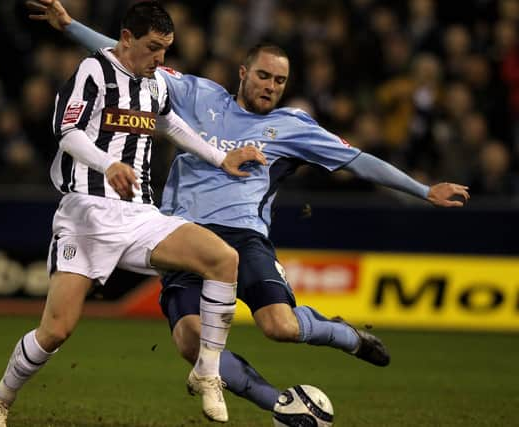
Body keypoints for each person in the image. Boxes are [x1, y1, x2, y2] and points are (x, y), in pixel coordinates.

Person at [27, 0, 470, 414]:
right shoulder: (197, 95)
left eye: (279, 81)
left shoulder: (293, 126)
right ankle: (281, 405)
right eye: (263, 76)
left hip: (245, 236)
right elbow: (131, 58)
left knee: (279, 326)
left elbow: (360, 161)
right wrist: (68, 27)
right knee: (190, 342)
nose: (270, 87)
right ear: (243, 72)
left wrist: (423, 188)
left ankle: (345, 334)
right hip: (181, 235)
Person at [0, 3, 269, 426]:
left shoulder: (155, 85)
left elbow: (170, 124)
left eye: (166, 50)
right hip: (85, 214)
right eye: (153, 48)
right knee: (55, 332)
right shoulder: (92, 72)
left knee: (224, 259)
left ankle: (207, 372)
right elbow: (68, 133)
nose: (160, 59)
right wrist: (107, 165)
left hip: (138, 214)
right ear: (127, 38)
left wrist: (220, 157)